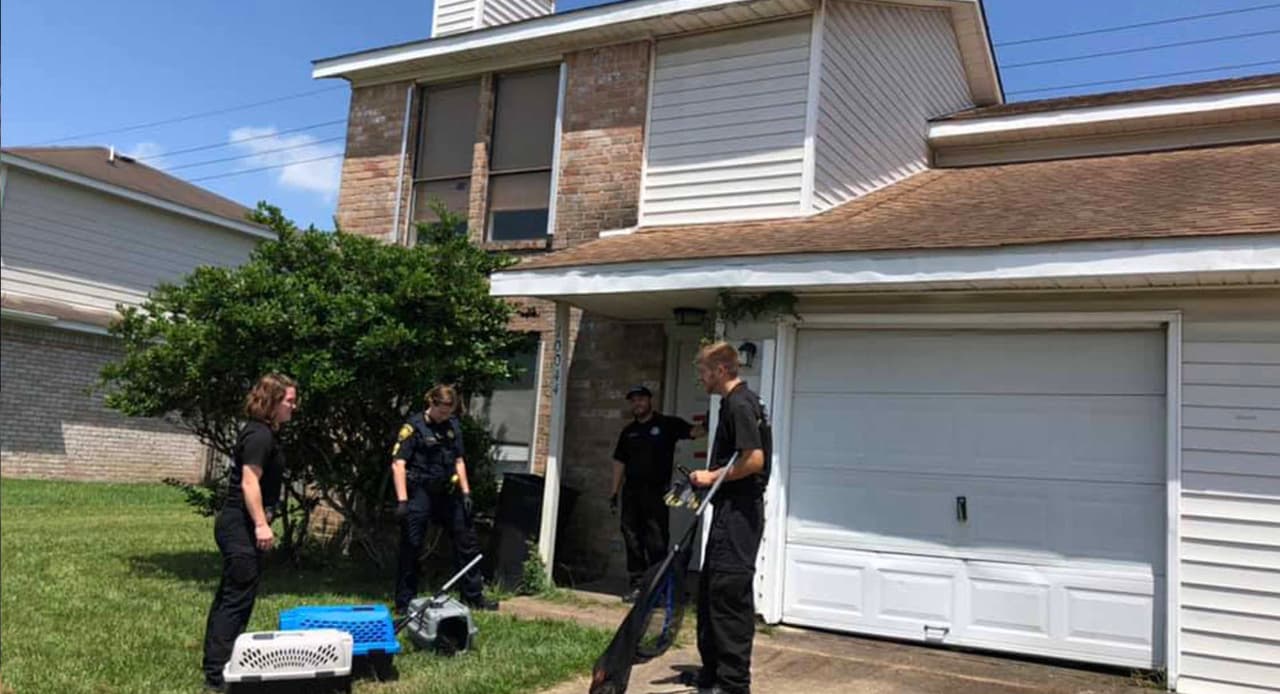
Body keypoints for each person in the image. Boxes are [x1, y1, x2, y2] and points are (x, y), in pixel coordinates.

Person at [202, 373, 298, 692]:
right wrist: (260, 523)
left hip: (238, 522)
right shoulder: (259, 436)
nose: (293, 407)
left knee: (233, 594)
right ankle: (218, 674)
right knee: (237, 598)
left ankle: (219, 664)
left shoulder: (265, 433)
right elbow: (249, 481)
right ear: (271, 403)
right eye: (289, 401)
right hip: (239, 524)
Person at [685, 343, 771, 694]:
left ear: (721, 370)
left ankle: (734, 685)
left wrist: (710, 476)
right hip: (729, 512)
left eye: (703, 372)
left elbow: (754, 460)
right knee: (711, 595)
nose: (700, 378)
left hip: (739, 516)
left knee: (728, 597)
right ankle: (713, 675)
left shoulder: (739, 404)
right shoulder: (736, 403)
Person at [392, 384, 497, 614]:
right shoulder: (414, 427)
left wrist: (466, 492)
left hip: (446, 492)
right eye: (442, 412)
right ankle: (404, 601)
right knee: (413, 543)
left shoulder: (452, 427)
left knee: (466, 540)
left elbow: (459, 460)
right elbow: (398, 464)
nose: (445, 416)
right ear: (432, 403)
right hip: (419, 490)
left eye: (449, 412)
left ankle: (473, 596)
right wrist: (402, 501)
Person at [609, 385, 704, 602]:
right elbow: (619, 462)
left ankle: (659, 586)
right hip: (631, 492)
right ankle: (637, 585)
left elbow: (694, 432)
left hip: (657, 492)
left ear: (650, 401)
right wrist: (614, 492)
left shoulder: (667, 424)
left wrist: (711, 421)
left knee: (657, 540)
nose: (637, 404)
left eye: (641, 399)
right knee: (631, 538)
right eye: (633, 400)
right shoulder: (628, 432)